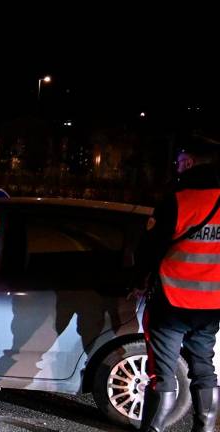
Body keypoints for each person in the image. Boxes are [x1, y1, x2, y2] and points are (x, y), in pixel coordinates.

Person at [138, 136, 220, 432]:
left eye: (181, 162)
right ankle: (205, 429)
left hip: (172, 301)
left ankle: (153, 429)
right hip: (212, 305)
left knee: (163, 373)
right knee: (204, 368)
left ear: (190, 163)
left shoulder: (178, 199)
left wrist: (139, 279)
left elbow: (149, 248)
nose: (178, 168)